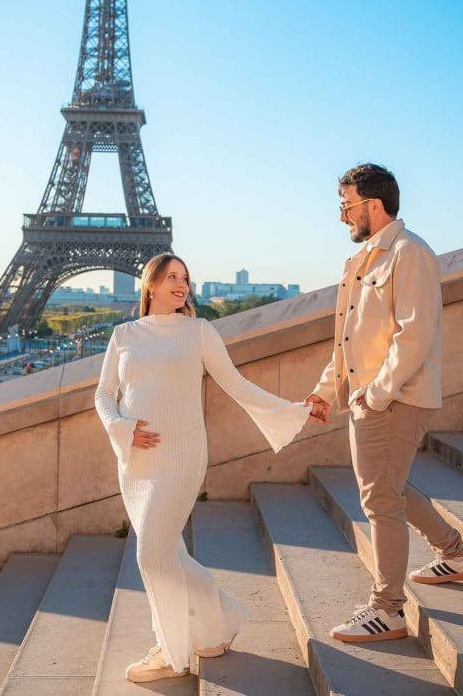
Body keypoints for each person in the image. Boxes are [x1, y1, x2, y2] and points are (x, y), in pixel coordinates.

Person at [94, 253, 313, 683]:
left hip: (181, 456)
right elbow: (104, 393)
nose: (181, 284)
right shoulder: (123, 334)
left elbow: (236, 383)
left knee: (151, 554)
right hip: (136, 461)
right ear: (150, 284)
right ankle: (217, 623)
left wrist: (292, 410)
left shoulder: (199, 331)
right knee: (168, 551)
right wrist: (121, 428)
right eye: (171, 277)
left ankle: (170, 652)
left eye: (186, 278)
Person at [305, 163, 463, 644]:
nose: (342, 216)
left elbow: (415, 333)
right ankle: (456, 554)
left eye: (346, 205)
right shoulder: (364, 259)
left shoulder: (410, 253)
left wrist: (377, 394)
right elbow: (350, 344)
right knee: (389, 489)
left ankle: (388, 609)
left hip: (395, 398)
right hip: (375, 396)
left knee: (379, 498)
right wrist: (325, 391)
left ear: (372, 204)